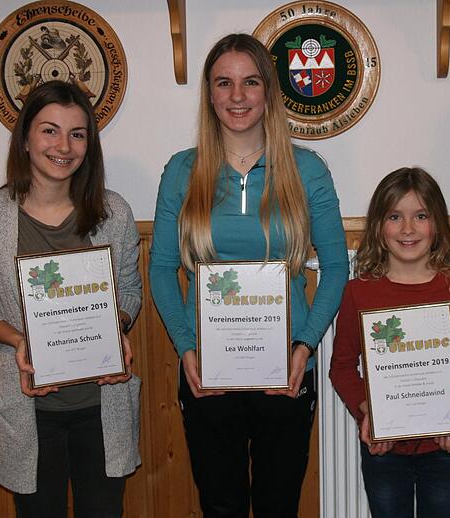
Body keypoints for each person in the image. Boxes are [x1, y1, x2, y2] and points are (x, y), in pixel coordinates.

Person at [149, 33, 348, 517]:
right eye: (224, 83)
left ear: (268, 92)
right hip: (208, 373)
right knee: (221, 506)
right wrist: (186, 349)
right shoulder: (182, 170)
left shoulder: (307, 170)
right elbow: (161, 268)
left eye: (250, 82)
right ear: (210, 93)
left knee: (279, 505)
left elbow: (338, 266)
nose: (237, 96)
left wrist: (304, 346)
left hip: (285, 370)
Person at [0, 80, 142, 517]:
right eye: (49, 130)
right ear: (25, 139)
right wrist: (17, 340)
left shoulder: (114, 213)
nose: (64, 145)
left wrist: (118, 327)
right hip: (30, 408)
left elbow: (129, 289)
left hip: (102, 406)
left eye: (77, 134)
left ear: (89, 145)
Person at [329, 167, 450, 518]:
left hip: (445, 448)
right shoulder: (359, 292)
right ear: (378, 226)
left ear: (436, 223)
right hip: (384, 448)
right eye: (395, 216)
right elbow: (343, 367)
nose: (408, 229)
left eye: (420, 216)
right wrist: (367, 412)